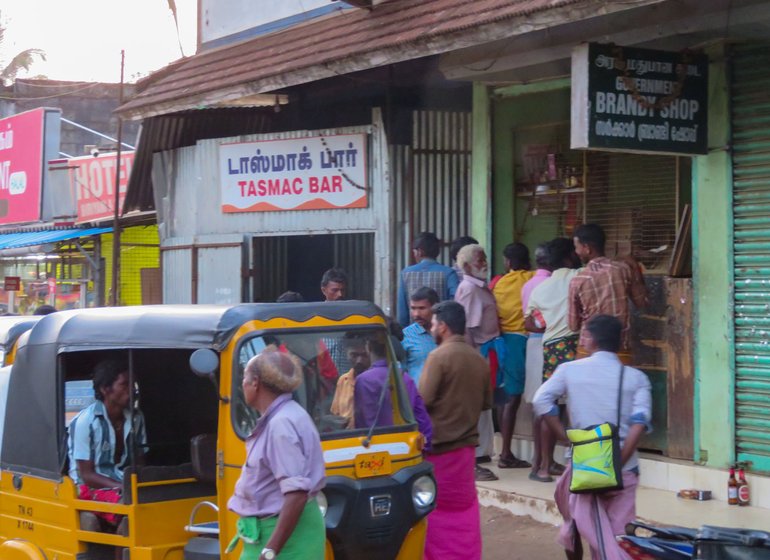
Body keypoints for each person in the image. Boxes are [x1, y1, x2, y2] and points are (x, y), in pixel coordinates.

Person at [533, 315, 652, 560]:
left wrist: (564, 437)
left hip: (583, 464)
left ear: (589, 339)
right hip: (625, 469)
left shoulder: (569, 370)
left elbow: (541, 400)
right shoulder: (636, 378)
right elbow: (639, 423)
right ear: (619, 341)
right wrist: (620, 458)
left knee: (574, 524)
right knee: (620, 534)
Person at [227, 348, 326, 560]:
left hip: (284, 541)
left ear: (255, 383)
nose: (242, 383)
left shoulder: (280, 425)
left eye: (244, 377)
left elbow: (296, 494)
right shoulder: (291, 414)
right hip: (278, 534)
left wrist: (270, 550)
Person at [418, 301, 491, 560]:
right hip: (465, 454)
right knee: (464, 512)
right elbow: (486, 403)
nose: (431, 329)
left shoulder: (438, 357)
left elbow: (422, 401)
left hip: (438, 452)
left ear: (444, 327)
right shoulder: (479, 359)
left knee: (433, 513)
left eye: (434, 324)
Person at [525, 237, 581, 482]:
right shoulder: (579, 277)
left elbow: (529, 323)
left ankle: (545, 467)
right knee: (576, 405)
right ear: (570, 256)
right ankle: (577, 462)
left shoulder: (539, 289)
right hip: (575, 345)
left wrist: (549, 324)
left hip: (552, 348)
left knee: (550, 404)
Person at [68, 359, 147, 532]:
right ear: (105, 389)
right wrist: (122, 487)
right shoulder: (85, 422)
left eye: (133, 384)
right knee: (128, 511)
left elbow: (140, 461)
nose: (132, 390)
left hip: (121, 483)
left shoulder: (136, 418)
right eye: (125, 384)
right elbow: (87, 475)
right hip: (87, 488)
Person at [569, 223, 647, 364]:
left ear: (587, 248)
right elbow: (641, 302)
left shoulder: (578, 280)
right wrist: (635, 267)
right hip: (619, 346)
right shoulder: (623, 269)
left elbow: (573, 325)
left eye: (577, 247)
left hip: (588, 350)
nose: (576, 252)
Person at [454, 243, 500, 481]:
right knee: (475, 406)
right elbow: (468, 328)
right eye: (479, 260)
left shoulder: (479, 287)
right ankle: (471, 460)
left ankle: (480, 455)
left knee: (483, 406)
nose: (484, 264)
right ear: (465, 266)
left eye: (484, 259)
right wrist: (472, 360)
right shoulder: (470, 289)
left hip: (486, 350)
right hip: (478, 351)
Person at [491, 242, 535, 469]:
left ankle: (504, 450)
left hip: (501, 342)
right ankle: (506, 453)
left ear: (507, 262)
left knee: (504, 395)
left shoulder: (497, 283)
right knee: (513, 399)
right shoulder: (532, 278)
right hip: (520, 340)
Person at [353, 336, 432, 447]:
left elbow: (361, 421)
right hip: (403, 447)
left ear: (368, 348)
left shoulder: (363, 380)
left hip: (372, 449)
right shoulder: (405, 378)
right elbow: (422, 420)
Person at [396, 232, 459, 327]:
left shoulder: (405, 273)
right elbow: (455, 303)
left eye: (414, 252)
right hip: (441, 329)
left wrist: (404, 332)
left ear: (419, 252)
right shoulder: (448, 273)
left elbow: (402, 310)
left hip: (415, 331)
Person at [329, 335, 371, 428]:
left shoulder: (375, 381)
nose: (359, 361)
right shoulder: (343, 380)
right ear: (346, 354)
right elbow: (336, 413)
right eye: (354, 355)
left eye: (364, 355)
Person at [401, 286, 439, 384]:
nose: (416, 314)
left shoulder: (446, 333)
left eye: (422, 308)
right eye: (413, 308)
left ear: (434, 308)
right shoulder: (405, 336)